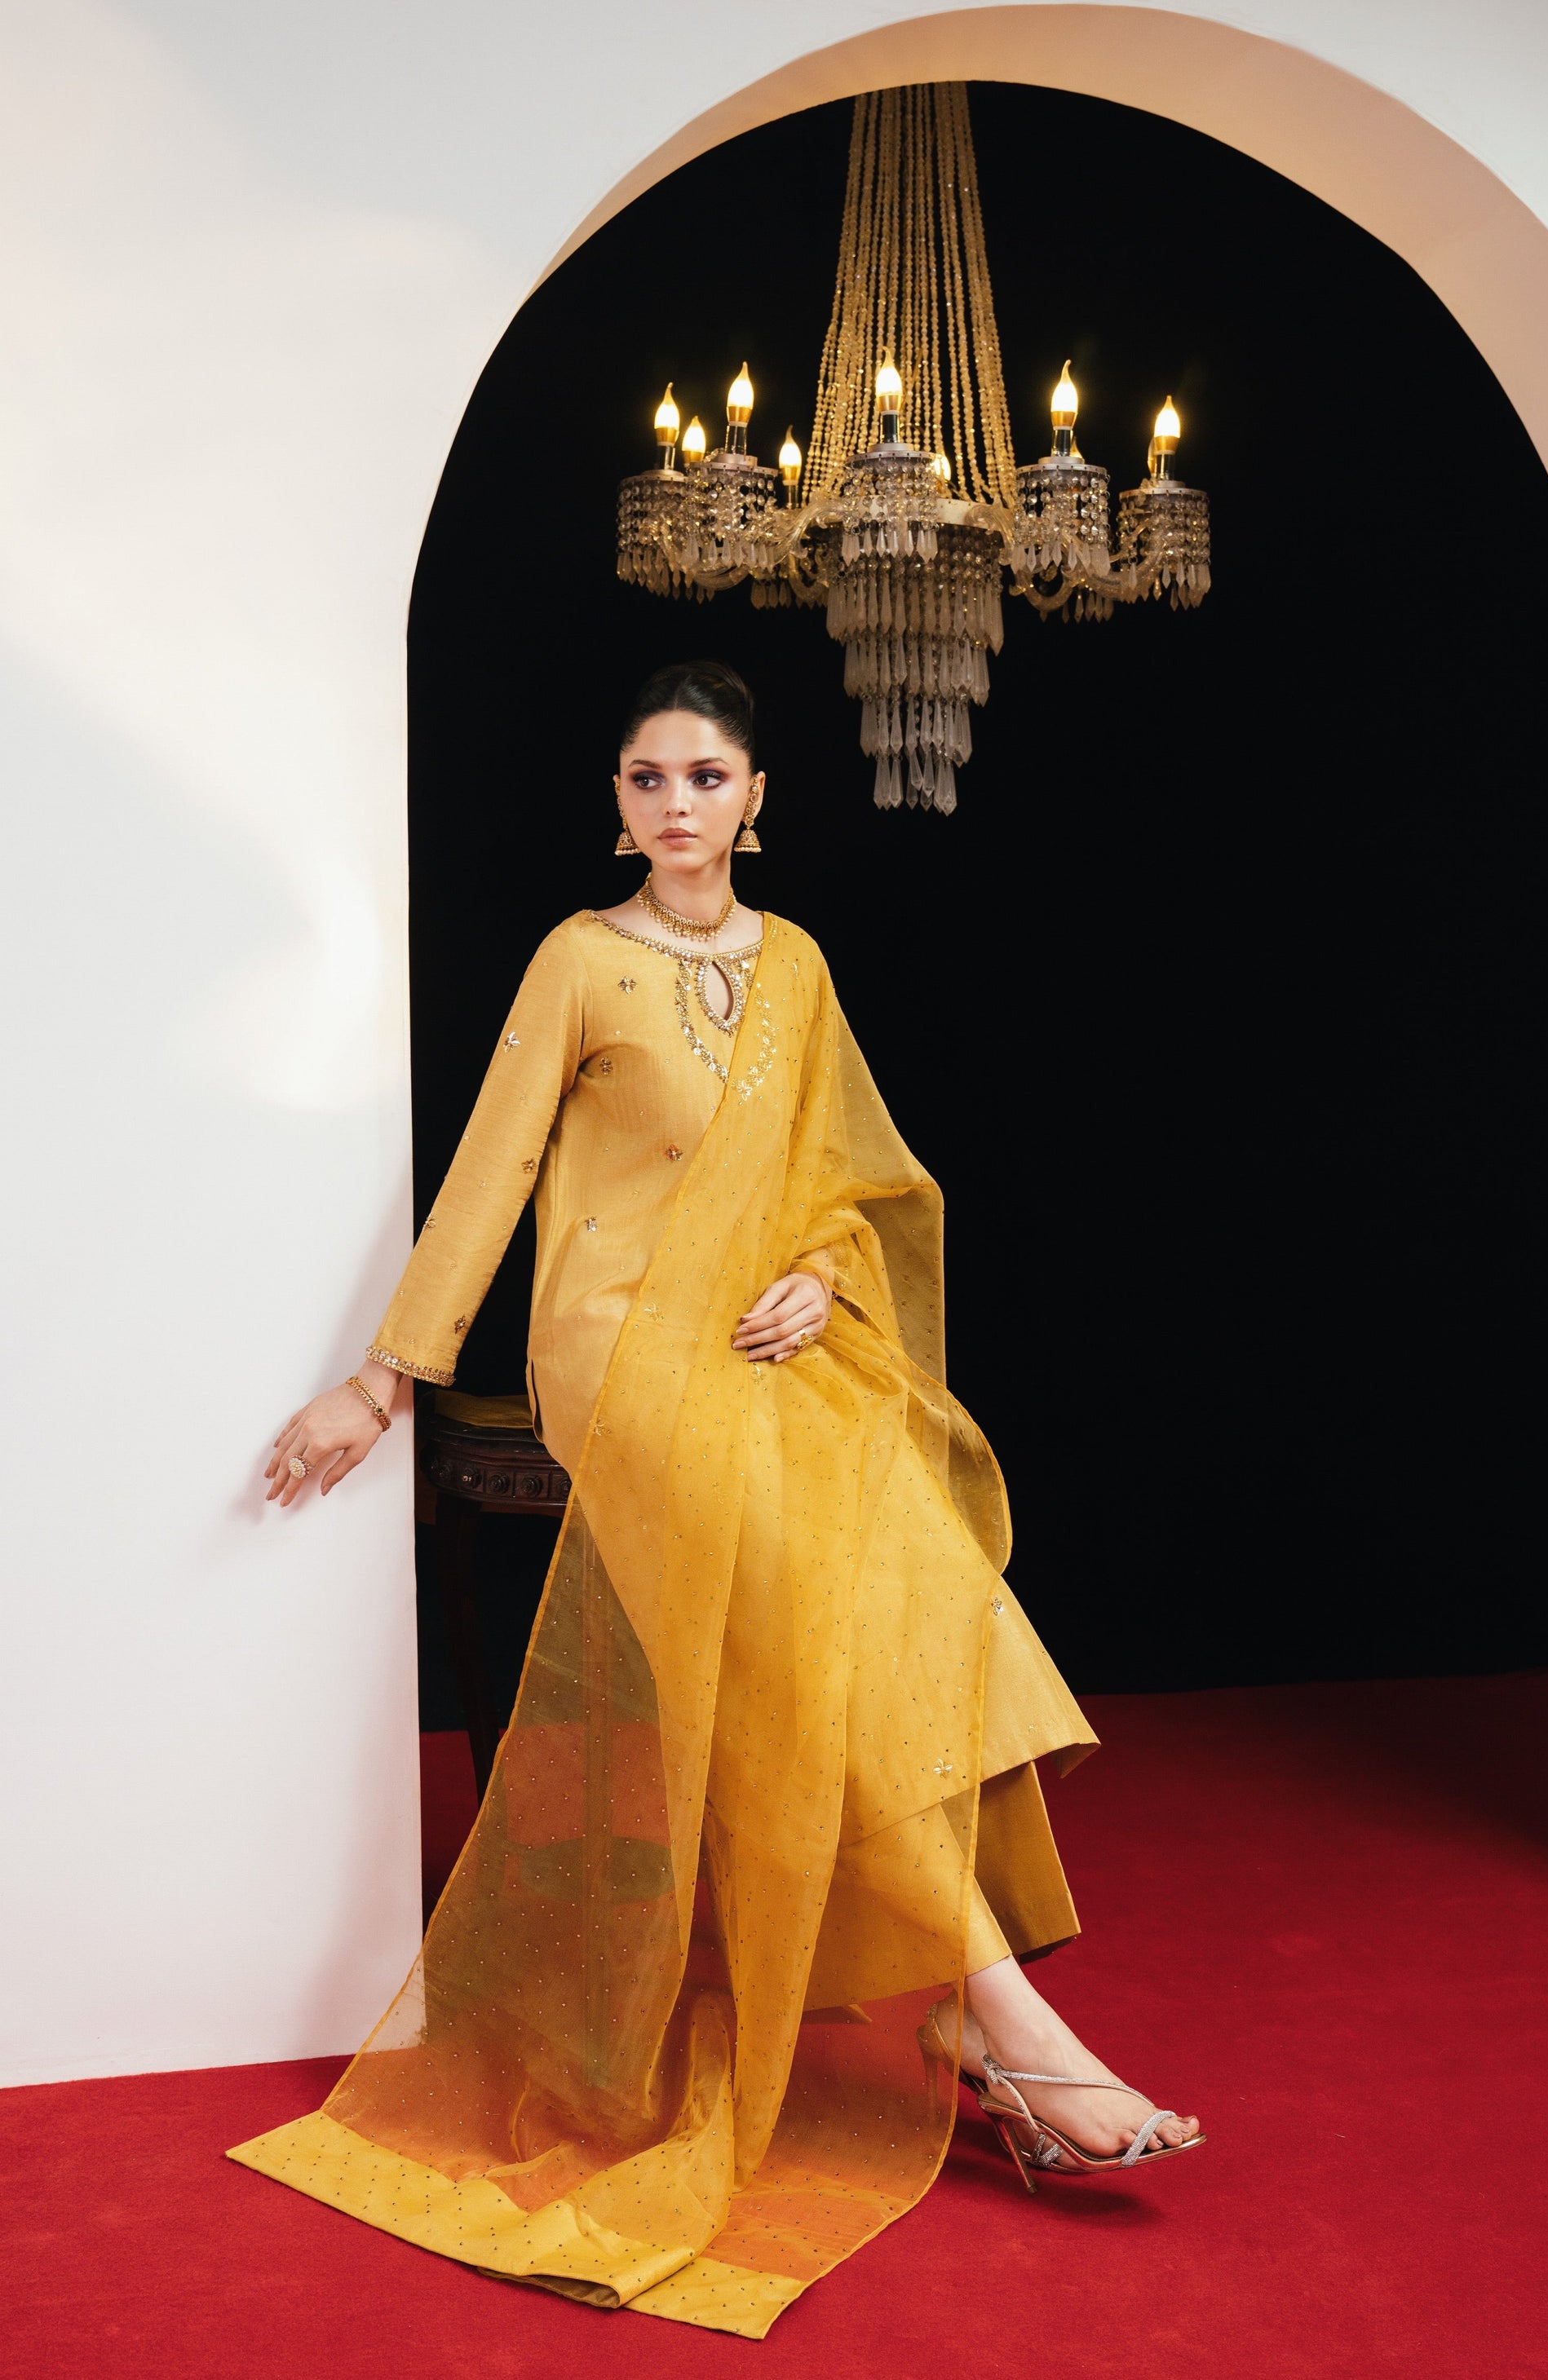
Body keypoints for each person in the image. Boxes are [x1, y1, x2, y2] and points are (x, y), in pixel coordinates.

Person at [232, 661, 1202, 2338]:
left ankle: (982, 2010)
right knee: (800, 1617)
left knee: (894, 1568)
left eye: (704, 777)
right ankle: (1003, 2020)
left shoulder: (798, 966)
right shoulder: (578, 957)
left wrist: (825, 1275)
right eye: (646, 777)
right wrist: (386, 1376)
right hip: (616, 1344)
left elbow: (845, 1181)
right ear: (615, 803)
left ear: (756, 799)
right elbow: (492, 1171)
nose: (675, 804)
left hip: (763, 1334)